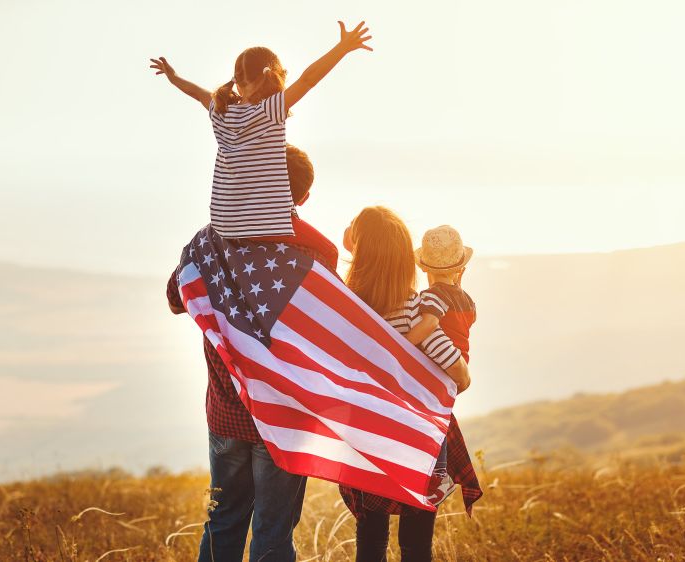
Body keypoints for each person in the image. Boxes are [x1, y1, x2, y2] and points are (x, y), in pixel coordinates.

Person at [167, 146, 337, 562]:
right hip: (286, 416)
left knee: (223, 519)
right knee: (274, 530)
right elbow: (330, 334)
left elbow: (176, 298)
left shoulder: (211, 238)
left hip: (226, 408)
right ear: (303, 197)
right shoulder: (320, 251)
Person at [339, 207, 482, 562]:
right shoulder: (414, 310)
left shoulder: (344, 308)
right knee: (416, 546)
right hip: (418, 440)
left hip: (367, 435)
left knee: (370, 540)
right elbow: (458, 374)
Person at [149, 20, 372, 242]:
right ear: (270, 75)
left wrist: (174, 78)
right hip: (261, 226)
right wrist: (342, 48)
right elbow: (308, 79)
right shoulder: (269, 110)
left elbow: (198, 93)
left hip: (223, 222)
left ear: (236, 82)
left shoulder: (221, 111)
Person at [404, 225, 477, 504]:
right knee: (442, 418)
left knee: (436, 421)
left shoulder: (432, 297)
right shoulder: (466, 299)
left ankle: (440, 476)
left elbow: (431, 323)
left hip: (440, 367)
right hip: (460, 363)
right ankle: (440, 474)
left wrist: (402, 346)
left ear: (425, 269)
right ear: (461, 269)